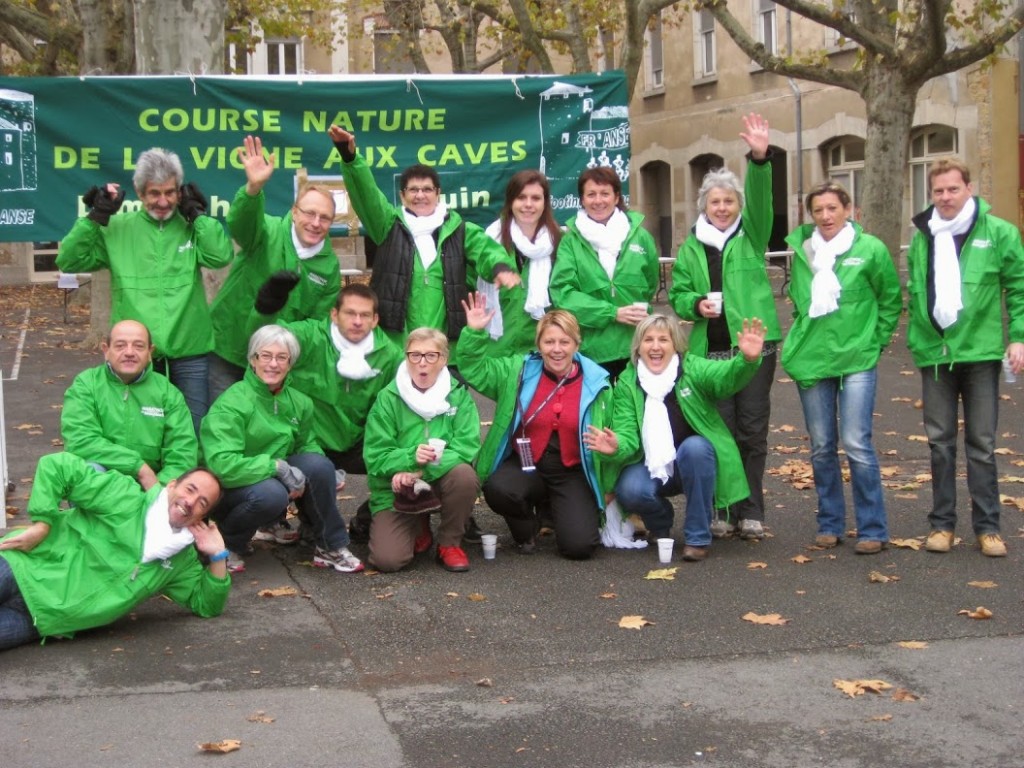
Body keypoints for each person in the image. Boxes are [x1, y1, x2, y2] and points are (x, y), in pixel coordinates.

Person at [56, 148, 234, 433]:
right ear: (140, 193)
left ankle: (186, 479)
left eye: (170, 192)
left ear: (180, 192)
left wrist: (198, 216)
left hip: (189, 352)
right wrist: (94, 218)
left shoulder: (191, 227)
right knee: (140, 432)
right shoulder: (118, 227)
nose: (163, 201)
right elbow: (69, 259)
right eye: (154, 193)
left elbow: (220, 255)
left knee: (192, 430)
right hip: (136, 354)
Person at [669, 113, 781, 541]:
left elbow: (762, 196)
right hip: (707, 352)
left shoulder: (752, 236)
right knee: (718, 429)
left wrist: (758, 157)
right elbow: (679, 294)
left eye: (728, 202)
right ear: (704, 206)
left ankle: (750, 509)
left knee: (752, 429)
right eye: (714, 202)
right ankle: (721, 507)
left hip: (755, 348)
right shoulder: (690, 247)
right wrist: (695, 304)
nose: (721, 208)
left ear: (738, 206)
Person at [906, 158, 1024, 557]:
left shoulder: (999, 232)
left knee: (981, 444)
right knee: (939, 443)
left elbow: (1019, 287)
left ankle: (988, 528)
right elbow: (918, 291)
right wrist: (916, 338)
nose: (945, 197)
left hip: (980, 352)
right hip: (935, 355)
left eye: (952, 189)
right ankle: (942, 526)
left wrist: (1019, 338)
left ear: (968, 189)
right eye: (938, 191)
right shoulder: (923, 234)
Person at [0, 452, 228, 652]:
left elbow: (206, 605)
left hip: (39, 618)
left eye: (202, 503)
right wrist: (42, 525)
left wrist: (218, 554)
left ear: (202, 517)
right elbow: (57, 465)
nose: (190, 501)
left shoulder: (181, 560)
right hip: (20, 568)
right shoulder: (125, 496)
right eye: (190, 489)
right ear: (171, 485)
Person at [781, 181, 902, 554]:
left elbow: (891, 299)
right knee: (820, 446)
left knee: (856, 443)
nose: (826, 216)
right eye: (818, 210)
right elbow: (799, 304)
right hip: (813, 359)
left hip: (858, 358)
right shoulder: (801, 251)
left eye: (833, 208)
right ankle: (830, 522)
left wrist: (875, 341)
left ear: (849, 211)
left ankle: (872, 528)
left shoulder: (870, 249)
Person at [327, 125, 520, 357]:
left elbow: (487, 251)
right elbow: (367, 195)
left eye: (427, 189)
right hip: (397, 347)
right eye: (413, 190)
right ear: (402, 195)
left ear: (438, 193)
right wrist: (350, 158)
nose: (420, 195)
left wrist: (499, 268)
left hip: (446, 349)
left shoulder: (459, 229)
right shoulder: (388, 225)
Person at [594, 314, 765, 562]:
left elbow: (725, 377)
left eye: (663, 339)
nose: (655, 346)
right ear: (638, 347)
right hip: (650, 464)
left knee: (696, 448)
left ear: (675, 345)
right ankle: (660, 524)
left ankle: (697, 537)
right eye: (648, 340)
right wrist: (616, 444)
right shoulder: (628, 383)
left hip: (693, 464)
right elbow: (627, 432)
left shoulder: (692, 368)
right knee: (630, 489)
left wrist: (746, 360)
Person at [457, 296, 612, 559]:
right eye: (549, 342)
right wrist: (474, 331)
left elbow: (615, 435)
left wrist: (612, 462)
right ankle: (527, 526)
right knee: (499, 489)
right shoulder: (517, 371)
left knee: (579, 548)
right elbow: (474, 368)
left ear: (577, 344)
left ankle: (556, 509)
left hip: (571, 471)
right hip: (526, 464)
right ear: (538, 344)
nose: (557, 349)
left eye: (565, 342)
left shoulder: (598, 383)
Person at [249, 280, 404, 542]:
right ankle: (306, 520)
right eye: (350, 313)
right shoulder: (310, 336)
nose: (357, 321)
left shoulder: (390, 355)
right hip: (310, 444)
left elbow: (406, 397)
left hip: (357, 441)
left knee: (408, 454)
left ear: (375, 320)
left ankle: (368, 518)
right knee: (302, 471)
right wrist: (265, 310)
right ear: (334, 314)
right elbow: (264, 339)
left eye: (365, 315)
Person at [200, 325, 362, 574]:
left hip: (270, 479)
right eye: (265, 355)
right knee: (272, 493)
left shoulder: (300, 402)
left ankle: (330, 545)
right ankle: (228, 542)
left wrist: (328, 470)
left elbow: (305, 444)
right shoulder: (232, 403)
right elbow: (222, 465)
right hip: (231, 490)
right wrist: (275, 467)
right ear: (253, 360)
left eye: (281, 357)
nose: (273, 364)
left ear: (290, 363)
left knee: (319, 466)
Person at [208, 135, 342, 400]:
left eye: (324, 218)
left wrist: (283, 352)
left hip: (275, 365)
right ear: (294, 212)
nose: (316, 223)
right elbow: (240, 224)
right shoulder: (266, 231)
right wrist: (253, 189)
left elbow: (316, 325)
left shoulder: (329, 268)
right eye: (309, 213)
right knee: (220, 424)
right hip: (229, 351)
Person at [362, 328, 481, 573]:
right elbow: (375, 456)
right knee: (388, 561)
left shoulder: (458, 395)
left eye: (431, 356)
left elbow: (465, 447)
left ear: (444, 359)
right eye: (414, 355)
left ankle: (449, 543)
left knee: (464, 475)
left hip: (436, 479)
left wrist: (418, 472)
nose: (422, 363)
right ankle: (418, 525)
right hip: (396, 488)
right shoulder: (388, 398)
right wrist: (407, 459)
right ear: (406, 358)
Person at [549, 166, 660, 380]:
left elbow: (650, 283)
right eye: (591, 194)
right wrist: (612, 313)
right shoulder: (570, 243)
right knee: (600, 412)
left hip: (637, 347)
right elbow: (562, 294)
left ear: (617, 197)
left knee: (634, 411)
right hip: (592, 352)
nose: (598, 201)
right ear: (581, 199)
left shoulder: (640, 237)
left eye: (605, 193)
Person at [61, 319, 197, 490]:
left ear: (150, 352)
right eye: (120, 346)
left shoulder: (169, 394)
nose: (129, 352)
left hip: (151, 488)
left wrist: (156, 491)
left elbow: (182, 454)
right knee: (89, 470)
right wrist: (139, 467)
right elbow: (80, 441)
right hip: (101, 486)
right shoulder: (86, 385)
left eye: (139, 346)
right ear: (106, 350)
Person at [478, 170, 563, 356]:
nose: (528, 204)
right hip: (496, 349)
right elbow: (481, 264)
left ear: (545, 202)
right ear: (510, 202)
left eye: (536, 198)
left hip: (543, 352)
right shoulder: (490, 239)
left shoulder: (560, 241)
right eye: (521, 197)